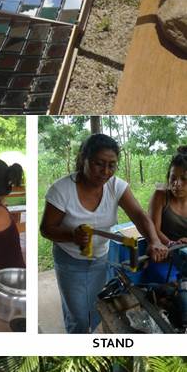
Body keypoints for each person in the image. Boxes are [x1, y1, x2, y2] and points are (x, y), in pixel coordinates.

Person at [40, 133, 168, 333]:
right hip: (70, 261)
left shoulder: (116, 186)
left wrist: (154, 241)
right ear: (84, 158)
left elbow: (139, 215)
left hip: (100, 258)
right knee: (78, 316)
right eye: (99, 164)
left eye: (112, 165)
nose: (105, 171)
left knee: (95, 307)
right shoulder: (62, 190)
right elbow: (46, 229)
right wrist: (72, 236)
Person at [149, 146, 187, 247]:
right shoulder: (161, 196)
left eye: (184, 179)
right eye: (173, 178)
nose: (177, 184)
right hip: (163, 254)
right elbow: (153, 230)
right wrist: (171, 244)